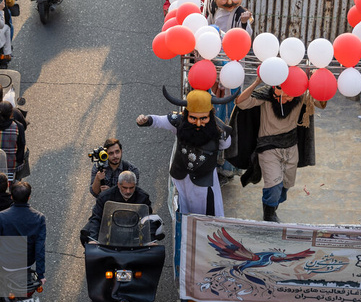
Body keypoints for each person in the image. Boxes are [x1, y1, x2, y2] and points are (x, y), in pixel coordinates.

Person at [232, 76, 327, 222]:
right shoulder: (267, 96)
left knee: (285, 186)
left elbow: (321, 103)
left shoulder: (301, 96)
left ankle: (272, 206)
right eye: (277, 96)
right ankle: (269, 215)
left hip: (290, 147)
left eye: (286, 97)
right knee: (273, 185)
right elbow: (241, 103)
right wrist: (257, 82)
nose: (281, 100)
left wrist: (317, 82)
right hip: (268, 147)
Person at [136, 88, 237, 217]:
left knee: (208, 215)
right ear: (186, 114)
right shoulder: (179, 122)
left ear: (211, 114)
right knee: (183, 214)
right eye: (193, 118)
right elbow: (158, 121)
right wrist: (145, 119)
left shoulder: (219, 130)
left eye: (204, 118)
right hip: (181, 179)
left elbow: (226, 144)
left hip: (204, 182)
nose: (198, 123)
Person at [0, 181, 46, 299]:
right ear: (29, 197)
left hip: (6, 263)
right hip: (27, 263)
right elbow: (40, 247)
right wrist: (41, 274)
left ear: (11, 197)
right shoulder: (39, 217)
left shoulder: (2, 216)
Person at [80, 171, 151, 246]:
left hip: (133, 229)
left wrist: (151, 240)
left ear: (135, 185)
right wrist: (92, 239)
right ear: (118, 185)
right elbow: (96, 218)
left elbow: (148, 219)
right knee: (85, 235)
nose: (128, 191)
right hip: (109, 228)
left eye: (131, 188)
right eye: (125, 187)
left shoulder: (143, 197)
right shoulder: (105, 197)